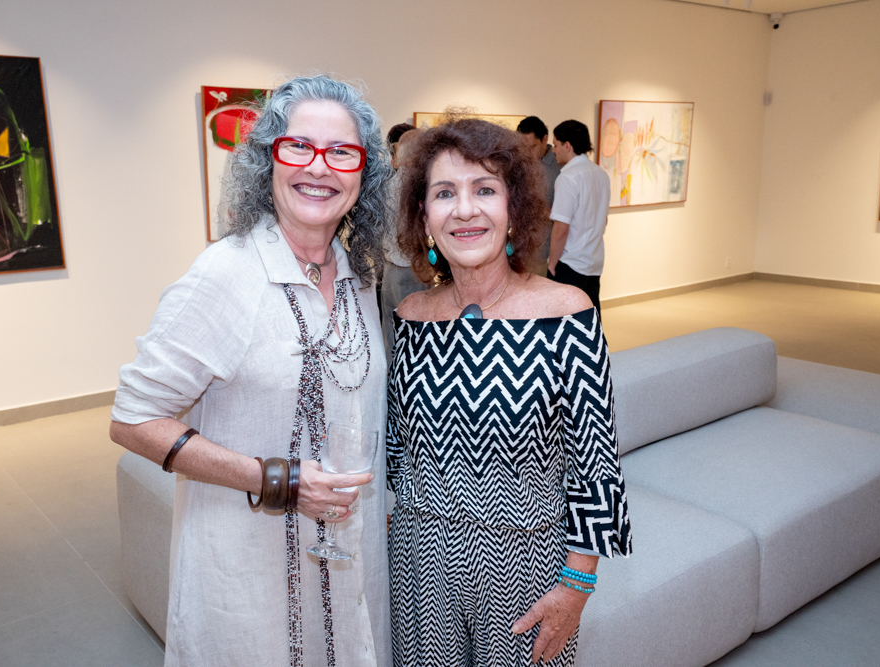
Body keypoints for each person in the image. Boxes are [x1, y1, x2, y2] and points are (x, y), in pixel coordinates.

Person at [109, 75, 393, 667]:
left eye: (342, 152)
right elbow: (133, 419)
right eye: (298, 147)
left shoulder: (357, 275)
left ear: (363, 176)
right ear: (268, 161)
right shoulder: (226, 274)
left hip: (346, 562)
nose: (319, 167)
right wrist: (279, 480)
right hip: (247, 573)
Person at [387, 118, 631, 667]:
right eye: (444, 193)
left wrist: (577, 585)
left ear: (514, 209)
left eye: (485, 190)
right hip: (420, 563)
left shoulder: (566, 311)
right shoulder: (411, 315)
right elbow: (399, 450)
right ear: (423, 215)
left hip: (526, 566)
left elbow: (597, 464)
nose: (465, 210)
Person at [547, 119, 610, 315]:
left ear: (568, 145)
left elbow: (561, 228)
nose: (553, 150)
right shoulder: (601, 174)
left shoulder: (568, 178)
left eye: (556, 145)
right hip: (594, 261)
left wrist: (552, 263)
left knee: (563, 321)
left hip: (570, 262)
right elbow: (604, 219)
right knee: (591, 317)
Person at [380, 127, 428, 362]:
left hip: (390, 269)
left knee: (390, 333)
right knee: (414, 336)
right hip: (412, 269)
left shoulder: (389, 182)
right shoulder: (417, 188)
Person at [518, 116, 562, 277]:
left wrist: (542, 211)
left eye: (532, 147)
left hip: (545, 255)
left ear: (545, 139)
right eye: (523, 147)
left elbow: (569, 217)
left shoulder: (561, 168)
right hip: (519, 252)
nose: (527, 153)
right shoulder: (520, 162)